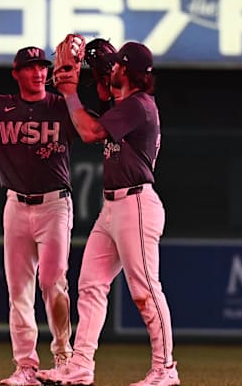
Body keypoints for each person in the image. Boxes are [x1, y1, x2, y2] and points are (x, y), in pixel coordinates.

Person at [37, 42, 181, 386]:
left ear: (128, 71)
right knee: (90, 285)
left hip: (136, 204)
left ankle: (165, 369)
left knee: (145, 290)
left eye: (118, 64)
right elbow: (105, 91)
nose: (112, 67)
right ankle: (81, 365)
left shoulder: (139, 105)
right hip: (113, 207)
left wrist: (70, 91)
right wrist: (92, 61)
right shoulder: (125, 101)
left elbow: (89, 130)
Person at [0, 46, 76, 386]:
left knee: (53, 283)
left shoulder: (60, 105)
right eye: (30, 68)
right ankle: (26, 366)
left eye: (42, 67)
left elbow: (93, 124)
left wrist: (74, 80)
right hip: (15, 204)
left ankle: (62, 356)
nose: (38, 73)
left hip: (55, 204)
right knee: (19, 291)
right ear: (16, 73)